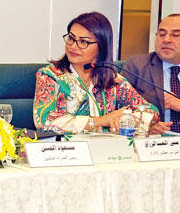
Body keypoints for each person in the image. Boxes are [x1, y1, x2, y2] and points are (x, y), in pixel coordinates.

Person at [33, 11, 162, 135]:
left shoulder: (112, 80)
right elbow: (44, 121)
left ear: (101, 46)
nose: (73, 46)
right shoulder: (50, 75)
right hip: (65, 147)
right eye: (71, 38)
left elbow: (152, 111)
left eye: (83, 42)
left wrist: (128, 120)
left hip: (105, 147)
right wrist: (100, 121)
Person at [122, 13, 180, 133]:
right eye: (162, 34)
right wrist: (145, 126)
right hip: (154, 140)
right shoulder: (136, 66)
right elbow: (118, 108)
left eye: (176, 35)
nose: (166, 40)